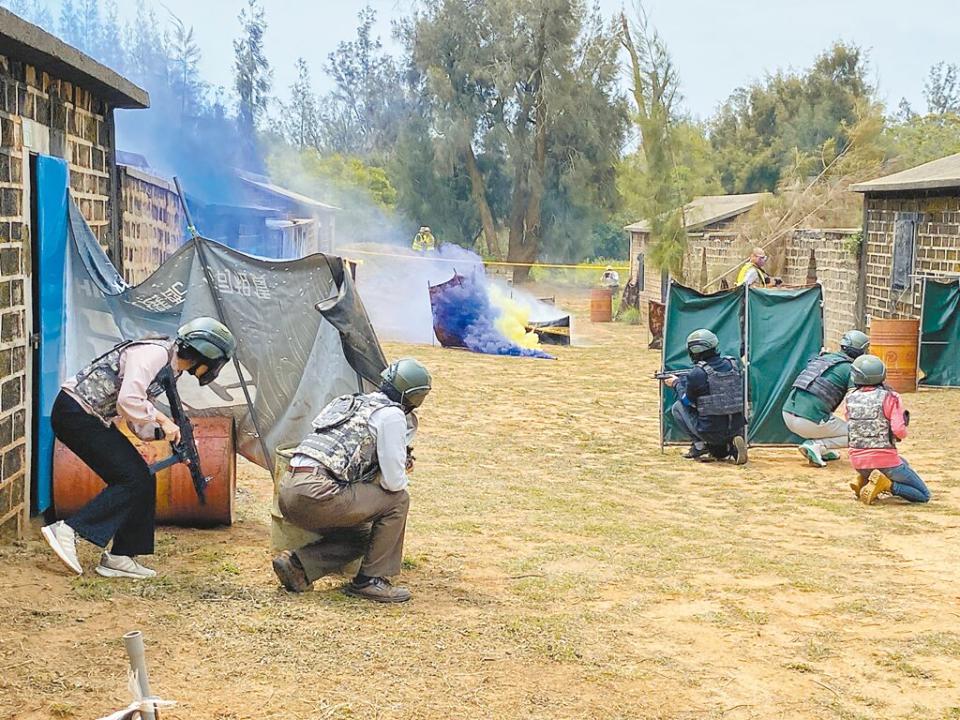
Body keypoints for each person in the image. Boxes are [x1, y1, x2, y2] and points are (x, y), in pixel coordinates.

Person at [41, 318, 237, 578]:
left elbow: (137, 415)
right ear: (207, 353)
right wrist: (164, 420)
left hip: (91, 417)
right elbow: (129, 400)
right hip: (75, 412)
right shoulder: (155, 353)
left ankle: (121, 556)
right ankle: (68, 529)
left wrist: (164, 436)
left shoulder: (170, 368)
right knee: (131, 478)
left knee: (142, 477)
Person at [271, 358, 432, 603]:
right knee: (398, 500)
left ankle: (298, 565)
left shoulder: (351, 401)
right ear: (415, 396)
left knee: (365, 535)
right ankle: (370, 581)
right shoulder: (391, 415)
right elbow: (393, 484)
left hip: (288, 489)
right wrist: (400, 465)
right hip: (319, 493)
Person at [846, 355, 930, 505]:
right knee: (923, 495)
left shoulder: (850, 398)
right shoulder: (891, 397)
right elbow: (899, 430)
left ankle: (863, 479)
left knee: (904, 462)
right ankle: (888, 485)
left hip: (858, 462)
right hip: (886, 461)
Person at [782, 329, 870, 467]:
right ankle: (818, 445)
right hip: (810, 421)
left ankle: (822, 450)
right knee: (860, 434)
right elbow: (854, 401)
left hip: (787, 414)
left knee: (829, 420)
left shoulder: (822, 358)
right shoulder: (850, 369)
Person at [665, 329, 748, 464]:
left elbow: (687, 401)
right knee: (719, 446)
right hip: (736, 426)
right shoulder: (733, 365)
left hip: (710, 431)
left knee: (677, 407)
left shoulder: (697, 374)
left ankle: (700, 445)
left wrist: (676, 384)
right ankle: (731, 445)